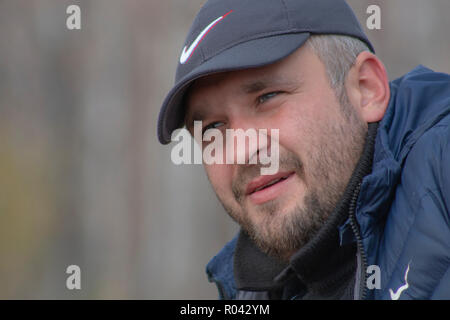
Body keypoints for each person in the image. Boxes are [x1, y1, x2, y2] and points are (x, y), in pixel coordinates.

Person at [157, 0, 450, 300]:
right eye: (212, 128)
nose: (241, 151)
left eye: (267, 96)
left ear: (366, 88)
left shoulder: (441, 167)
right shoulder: (247, 293)